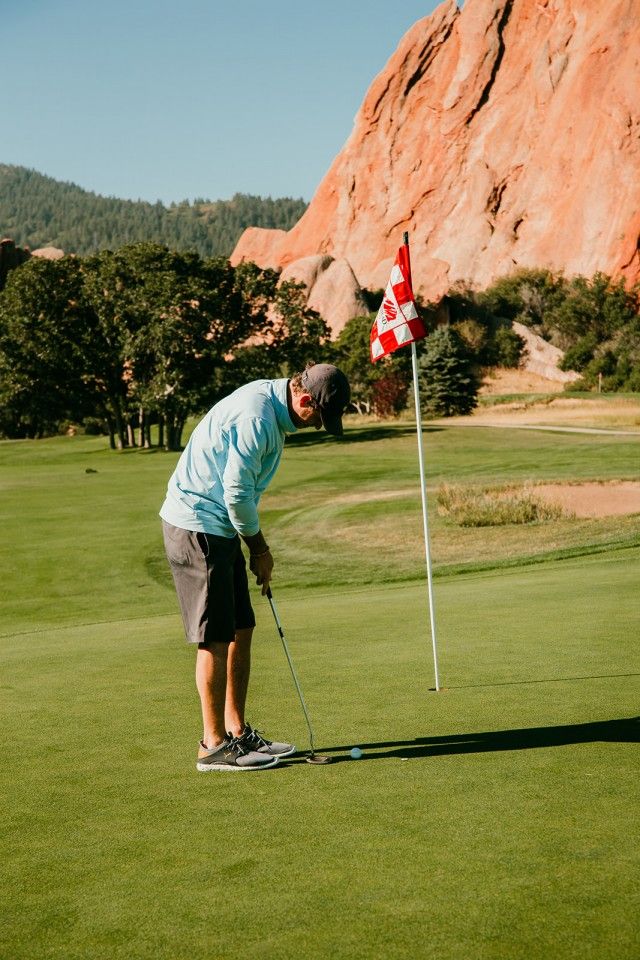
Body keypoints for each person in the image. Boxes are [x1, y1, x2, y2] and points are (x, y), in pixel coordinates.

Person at [159, 362, 350, 772]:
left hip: (220, 526)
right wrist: (260, 549)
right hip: (198, 525)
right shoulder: (257, 418)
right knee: (214, 637)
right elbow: (237, 493)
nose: (319, 425)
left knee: (241, 627)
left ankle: (238, 734)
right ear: (303, 399)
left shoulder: (272, 408)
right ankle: (213, 745)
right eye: (319, 415)